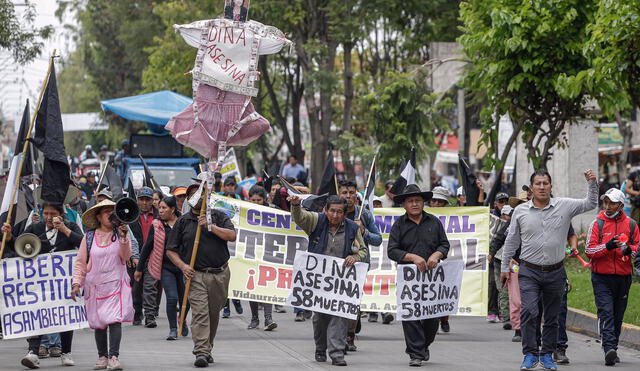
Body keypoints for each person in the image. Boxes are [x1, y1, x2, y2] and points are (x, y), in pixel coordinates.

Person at [501, 169, 598, 371]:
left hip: (555, 272)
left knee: (553, 316)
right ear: (531, 188)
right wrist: (504, 268)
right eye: (538, 183)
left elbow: (590, 203)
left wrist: (591, 183)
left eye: (546, 183)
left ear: (551, 186)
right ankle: (529, 353)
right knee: (529, 310)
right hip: (529, 271)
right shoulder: (520, 211)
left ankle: (546, 355)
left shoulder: (564, 206)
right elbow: (511, 241)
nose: (542, 187)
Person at [289, 194, 368, 366]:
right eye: (332, 211)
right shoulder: (316, 221)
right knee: (319, 318)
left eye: (340, 212)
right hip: (319, 281)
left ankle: (337, 353)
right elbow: (300, 218)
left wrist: (355, 258)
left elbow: (362, 251)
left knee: (339, 316)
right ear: (325, 210)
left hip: (340, 281)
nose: (335, 215)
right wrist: (295, 205)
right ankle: (320, 348)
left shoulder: (352, 229)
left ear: (345, 213)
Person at [2, 202, 83, 369]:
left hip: (62, 283)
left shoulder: (70, 225)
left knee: (64, 313)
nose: (48, 217)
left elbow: (83, 244)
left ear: (61, 214)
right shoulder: (35, 228)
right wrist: (10, 238)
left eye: (52, 213)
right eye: (45, 213)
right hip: (39, 283)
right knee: (35, 311)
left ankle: (65, 352)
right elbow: (20, 246)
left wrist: (64, 230)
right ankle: (33, 352)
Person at [166, 183, 237, 367]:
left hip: (219, 274)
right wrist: (182, 266)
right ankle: (201, 351)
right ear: (188, 200)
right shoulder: (183, 222)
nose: (196, 197)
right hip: (195, 275)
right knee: (200, 313)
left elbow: (231, 235)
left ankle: (208, 347)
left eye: (200, 194)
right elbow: (171, 251)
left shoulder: (219, 216)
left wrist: (210, 227)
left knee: (213, 313)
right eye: (192, 195)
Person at [387, 184, 450, 367]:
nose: (414, 204)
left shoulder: (434, 222)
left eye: (418, 200)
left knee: (432, 318)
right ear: (404, 205)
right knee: (411, 315)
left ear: (423, 203)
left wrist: (436, 255)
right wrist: (412, 257)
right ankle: (415, 353)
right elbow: (392, 251)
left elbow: (444, 245)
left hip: (432, 279)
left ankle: (423, 345)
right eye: (410, 201)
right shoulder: (399, 225)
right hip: (409, 279)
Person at [71, 199, 133, 370]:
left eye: (112, 211)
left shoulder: (121, 234)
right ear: (98, 216)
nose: (110, 215)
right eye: (106, 211)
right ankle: (102, 356)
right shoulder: (89, 237)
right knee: (99, 322)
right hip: (95, 287)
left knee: (114, 320)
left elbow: (126, 257)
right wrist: (77, 283)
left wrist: (123, 237)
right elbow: (81, 262)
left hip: (115, 285)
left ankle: (114, 356)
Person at [585, 188, 639, 366]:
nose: (607, 206)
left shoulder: (631, 225)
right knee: (606, 312)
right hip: (601, 277)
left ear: (621, 205)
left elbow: (637, 251)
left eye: (612, 203)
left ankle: (612, 348)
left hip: (623, 278)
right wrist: (607, 246)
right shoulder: (597, 223)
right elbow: (589, 251)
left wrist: (628, 250)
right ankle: (608, 348)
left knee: (618, 315)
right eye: (605, 202)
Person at [135, 196, 190, 340]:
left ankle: (182, 320)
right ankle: (173, 329)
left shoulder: (184, 222)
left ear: (173, 210)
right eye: (159, 207)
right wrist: (139, 269)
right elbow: (147, 247)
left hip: (184, 267)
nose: (160, 210)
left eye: (164, 208)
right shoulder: (157, 225)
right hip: (166, 267)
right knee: (172, 298)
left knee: (186, 299)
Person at [338, 180, 383, 352]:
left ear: (356, 194)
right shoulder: (333, 211)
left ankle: (349, 336)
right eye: (344, 193)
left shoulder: (364, 214)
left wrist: (363, 231)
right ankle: (339, 333)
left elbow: (378, 240)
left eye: (351, 192)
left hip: (359, 265)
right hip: (337, 264)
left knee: (352, 301)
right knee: (338, 301)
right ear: (339, 193)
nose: (348, 196)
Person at [245, 185, 278, 331]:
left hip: (268, 252)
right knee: (251, 286)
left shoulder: (273, 210)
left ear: (264, 199)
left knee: (266, 285)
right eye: (253, 200)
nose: (256, 203)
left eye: (259, 200)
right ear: (249, 199)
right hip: (250, 252)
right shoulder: (244, 210)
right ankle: (254, 318)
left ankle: (268, 318)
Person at [129, 186, 160, 327]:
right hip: (135, 258)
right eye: (142, 200)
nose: (145, 203)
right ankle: (137, 314)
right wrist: (131, 256)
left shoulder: (160, 215)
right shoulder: (131, 215)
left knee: (150, 288)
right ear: (137, 201)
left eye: (148, 200)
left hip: (154, 257)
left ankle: (150, 316)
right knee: (136, 288)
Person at [489, 205, 513, 328]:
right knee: (503, 288)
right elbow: (498, 239)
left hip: (519, 260)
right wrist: (492, 254)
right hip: (500, 260)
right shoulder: (508, 224)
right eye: (507, 215)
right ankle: (506, 316)